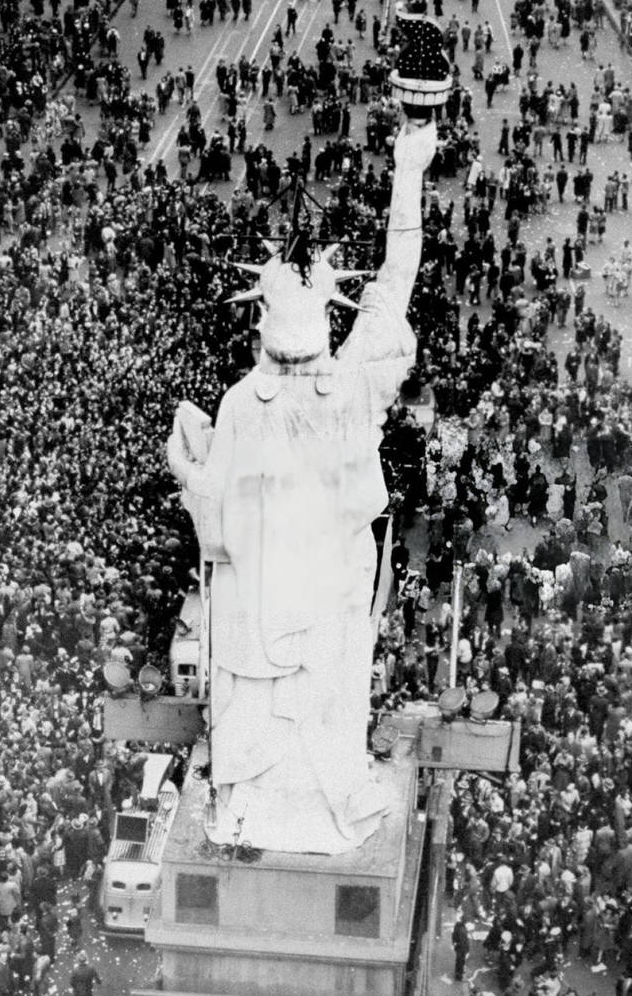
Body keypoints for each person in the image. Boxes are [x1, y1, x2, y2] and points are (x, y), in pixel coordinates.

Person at [168, 121, 439, 853]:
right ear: (324, 327)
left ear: (260, 335)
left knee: (265, 723)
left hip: (260, 627)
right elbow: (394, 279)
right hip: (327, 616)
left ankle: (254, 803)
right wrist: (407, 172)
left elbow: (214, 523)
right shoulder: (347, 387)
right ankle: (308, 802)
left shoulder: (238, 404)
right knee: (325, 709)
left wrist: (185, 462)